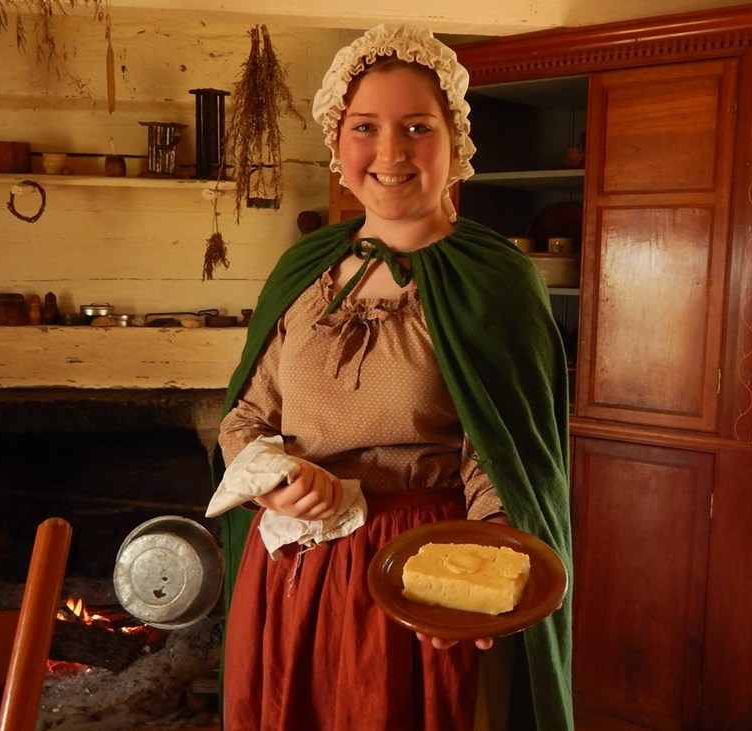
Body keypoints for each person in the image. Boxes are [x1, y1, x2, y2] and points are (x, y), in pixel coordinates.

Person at [212, 24, 572, 730]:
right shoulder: (303, 270)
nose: (390, 152)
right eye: (365, 127)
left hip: (420, 572)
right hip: (297, 571)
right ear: (337, 142)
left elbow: (502, 458)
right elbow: (244, 420)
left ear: (454, 142)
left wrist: (482, 568)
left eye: (416, 127)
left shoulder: (496, 281)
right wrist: (280, 476)